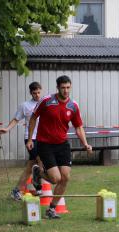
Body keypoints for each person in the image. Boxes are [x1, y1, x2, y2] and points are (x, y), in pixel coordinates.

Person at [26, 75, 92, 219]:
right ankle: (38, 173)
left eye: (68, 87)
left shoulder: (73, 106)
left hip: (62, 144)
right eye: (63, 88)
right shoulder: (46, 101)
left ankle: (51, 209)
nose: (66, 90)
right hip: (45, 144)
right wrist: (30, 138)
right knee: (55, 179)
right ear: (58, 88)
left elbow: (78, 127)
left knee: (65, 177)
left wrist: (85, 144)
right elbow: (33, 118)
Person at [0, 82, 42, 201]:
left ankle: (16, 191)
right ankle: (36, 184)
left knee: (30, 166)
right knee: (39, 160)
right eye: (34, 93)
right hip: (30, 138)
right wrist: (6, 129)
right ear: (30, 93)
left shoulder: (44, 103)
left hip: (43, 138)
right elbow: (16, 119)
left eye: (38, 92)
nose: (37, 95)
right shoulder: (25, 105)